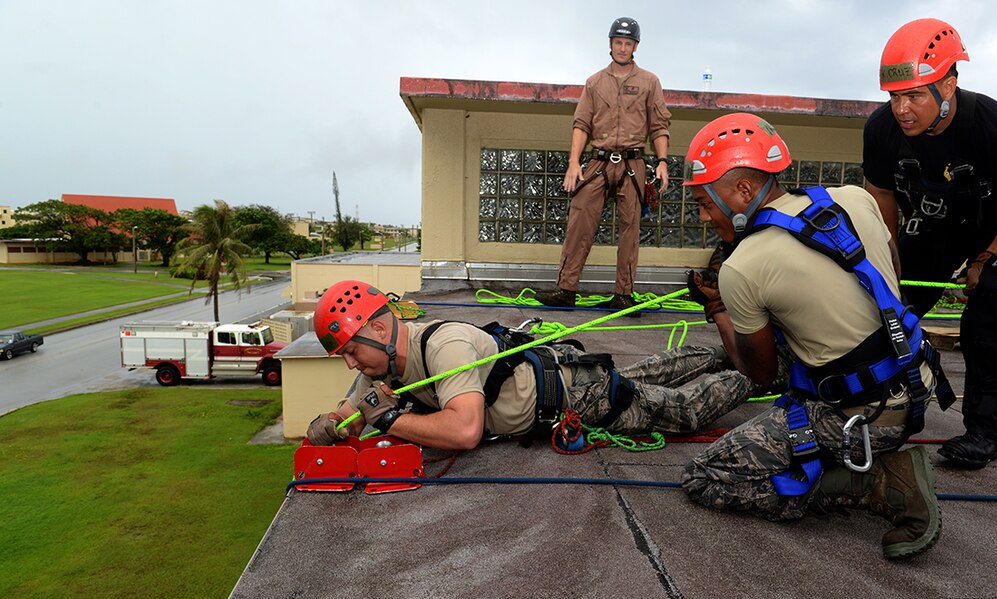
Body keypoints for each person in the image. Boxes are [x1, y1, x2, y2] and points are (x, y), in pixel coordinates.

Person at [679, 113, 952, 560]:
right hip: (915, 381)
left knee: (705, 476)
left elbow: (761, 373)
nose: (706, 217)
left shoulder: (742, 267)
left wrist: (718, 308)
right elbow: (891, 277)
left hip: (865, 422)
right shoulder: (854, 198)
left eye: (706, 203)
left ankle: (879, 484)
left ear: (744, 192)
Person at [862, 18, 997, 469]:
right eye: (893, 97)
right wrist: (890, 258)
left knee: (986, 320)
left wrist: (989, 258)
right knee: (889, 307)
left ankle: (982, 433)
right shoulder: (882, 130)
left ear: (948, 84)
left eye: (914, 96)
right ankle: (867, 405)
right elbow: (881, 193)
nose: (901, 109)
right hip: (935, 223)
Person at [306, 280, 759, 451]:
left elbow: (464, 431)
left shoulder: (443, 346)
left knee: (682, 409)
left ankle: (758, 370)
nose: (350, 364)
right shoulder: (380, 367)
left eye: (349, 350)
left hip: (579, 398)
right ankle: (721, 353)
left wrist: (388, 417)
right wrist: (327, 425)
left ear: (379, 331)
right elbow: (351, 413)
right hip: (565, 375)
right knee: (651, 371)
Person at [536, 17, 671, 314]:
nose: (623, 48)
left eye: (628, 43)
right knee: (580, 221)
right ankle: (566, 290)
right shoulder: (594, 83)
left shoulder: (649, 82)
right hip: (598, 160)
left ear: (635, 46)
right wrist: (574, 163)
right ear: (610, 44)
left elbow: (659, 126)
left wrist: (661, 162)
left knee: (630, 229)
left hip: (633, 163)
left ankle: (624, 295)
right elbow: (581, 124)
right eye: (618, 42)